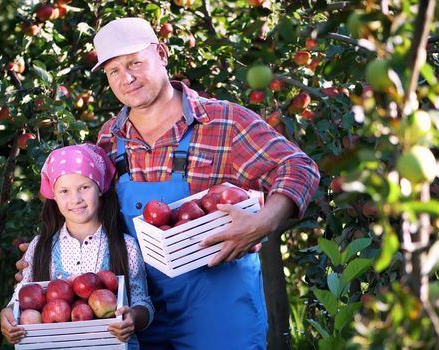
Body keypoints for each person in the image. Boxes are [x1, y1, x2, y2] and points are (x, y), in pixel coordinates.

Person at [17, 17, 320, 349]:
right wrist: (51, 256)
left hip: (218, 313)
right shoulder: (108, 139)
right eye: (114, 71)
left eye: (135, 63)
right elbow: (90, 215)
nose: (126, 78)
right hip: (136, 313)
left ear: (161, 53)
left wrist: (261, 223)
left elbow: (298, 167)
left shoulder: (223, 121)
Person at [0, 144, 154, 348]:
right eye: (64, 191)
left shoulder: (125, 246)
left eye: (84, 187)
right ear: (53, 196)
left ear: (99, 187)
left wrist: (132, 318)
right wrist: (8, 312)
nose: (75, 199)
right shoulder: (39, 247)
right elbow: (21, 299)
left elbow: (143, 303)